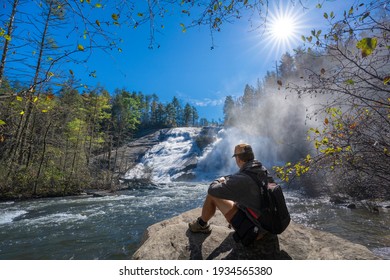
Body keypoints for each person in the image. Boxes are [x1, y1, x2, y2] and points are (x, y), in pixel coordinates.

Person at [188, 143, 276, 246]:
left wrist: (218, 180)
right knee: (234, 196)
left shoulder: (242, 179)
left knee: (213, 195)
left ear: (238, 159)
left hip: (256, 232)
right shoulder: (262, 170)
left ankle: (202, 225)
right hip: (270, 225)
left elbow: (212, 190)